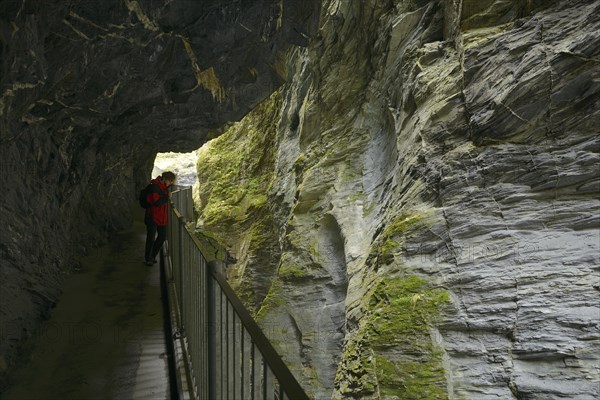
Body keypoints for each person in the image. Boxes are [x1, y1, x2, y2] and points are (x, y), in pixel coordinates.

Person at [144, 171, 176, 265]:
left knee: (162, 237)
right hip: (152, 216)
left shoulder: (164, 188)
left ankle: (152, 256)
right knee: (151, 238)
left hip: (161, 217)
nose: (171, 183)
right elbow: (156, 202)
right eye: (170, 181)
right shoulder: (154, 186)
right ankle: (148, 258)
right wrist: (167, 197)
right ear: (165, 179)